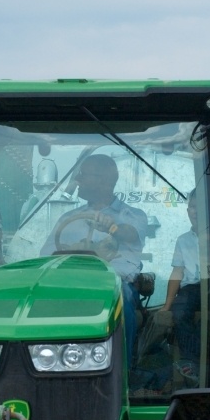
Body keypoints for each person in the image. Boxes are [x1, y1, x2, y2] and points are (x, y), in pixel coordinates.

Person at [41, 154, 147, 360]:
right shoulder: (68, 219)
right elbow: (46, 256)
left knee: (121, 299)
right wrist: (73, 249)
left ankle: (123, 369)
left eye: (83, 175)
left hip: (114, 284)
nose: (78, 180)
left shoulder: (132, 216)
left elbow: (132, 234)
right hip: (72, 284)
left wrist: (112, 227)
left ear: (103, 180)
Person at [159, 190, 201, 383]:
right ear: (187, 210)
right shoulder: (183, 240)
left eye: (200, 207)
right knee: (180, 310)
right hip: (192, 288)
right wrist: (167, 306)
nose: (195, 211)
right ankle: (190, 362)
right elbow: (177, 273)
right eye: (192, 207)